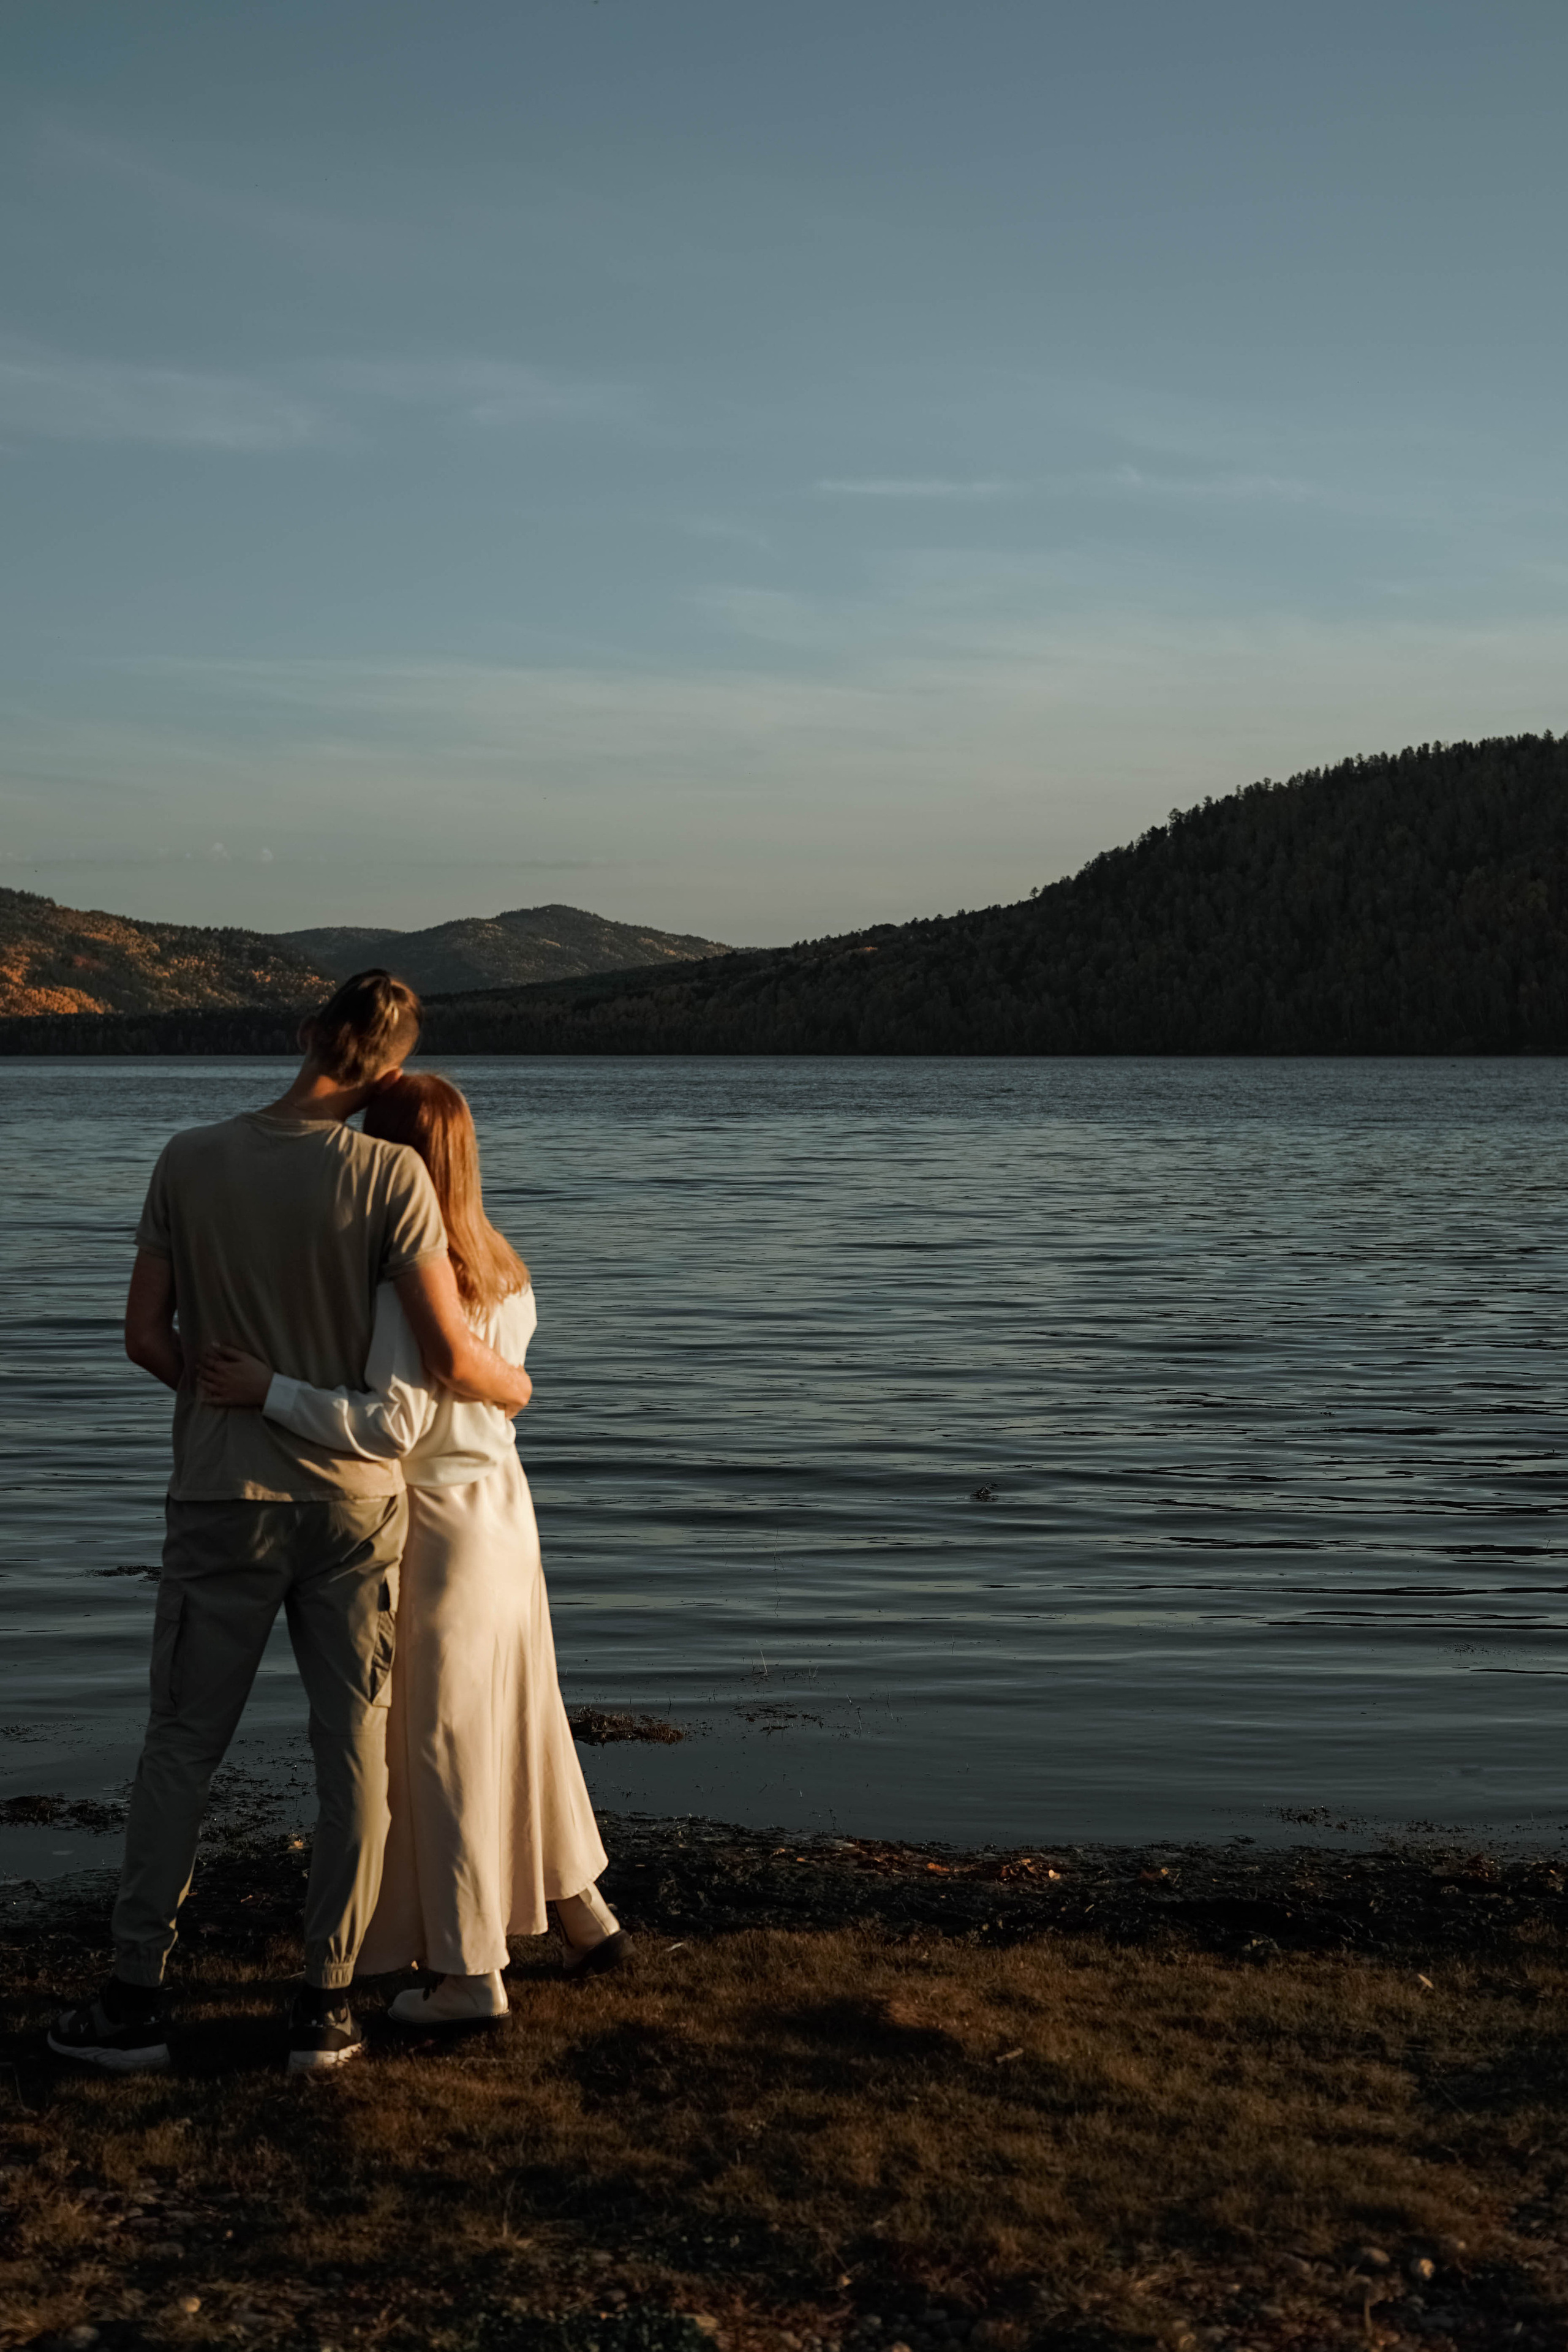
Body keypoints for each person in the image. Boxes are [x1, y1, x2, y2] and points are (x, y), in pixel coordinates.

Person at [48, 973, 533, 2076]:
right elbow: (439, 1350)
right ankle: (326, 2005)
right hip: (354, 1507)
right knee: (351, 1750)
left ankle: (135, 2000)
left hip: (223, 1497)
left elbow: (144, 1336)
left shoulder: (187, 1158)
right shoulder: (393, 1176)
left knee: (182, 1745)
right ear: (390, 1067)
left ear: (310, 1033)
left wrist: (222, 1401)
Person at [197, 1072, 624, 2027]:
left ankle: (471, 1974)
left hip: (438, 1526)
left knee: (440, 1742)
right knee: (521, 1716)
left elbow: (393, 1425)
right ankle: (582, 1913)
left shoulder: (408, 1281)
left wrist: (270, 1390)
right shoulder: (503, 1266)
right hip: (505, 1511)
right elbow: (491, 1390)